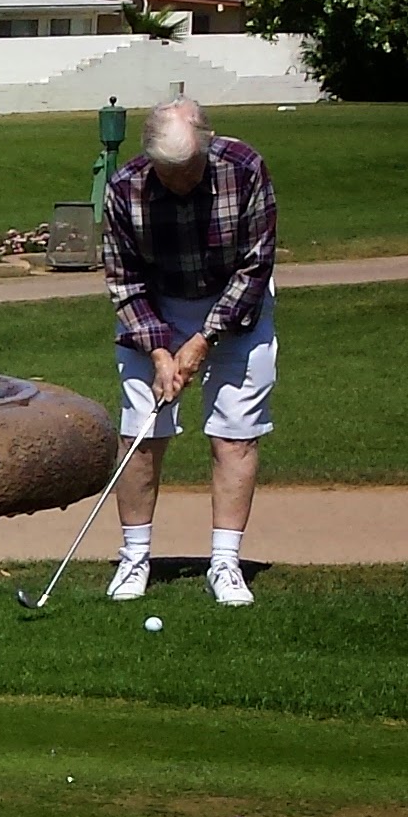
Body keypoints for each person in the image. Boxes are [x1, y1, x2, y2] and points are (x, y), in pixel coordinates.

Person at [100, 97, 279, 606]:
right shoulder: (124, 188)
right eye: (168, 172)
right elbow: (125, 281)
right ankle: (134, 558)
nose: (180, 182)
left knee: (235, 430)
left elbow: (254, 267)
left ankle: (225, 562)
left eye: (189, 170)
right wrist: (159, 350)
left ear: (208, 146)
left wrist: (203, 340)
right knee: (141, 428)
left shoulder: (244, 169)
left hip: (235, 305)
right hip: (156, 304)